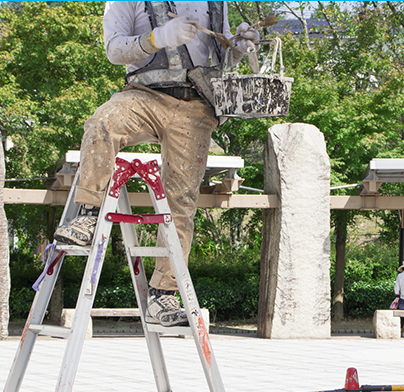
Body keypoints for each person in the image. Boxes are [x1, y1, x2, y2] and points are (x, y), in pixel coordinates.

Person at [54, 2, 259, 327]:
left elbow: (219, 61)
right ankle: (89, 215)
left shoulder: (214, 2)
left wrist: (238, 47)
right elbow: (113, 49)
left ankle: (163, 293)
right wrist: (156, 38)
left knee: (181, 199)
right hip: (143, 96)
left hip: (195, 106)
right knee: (103, 123)